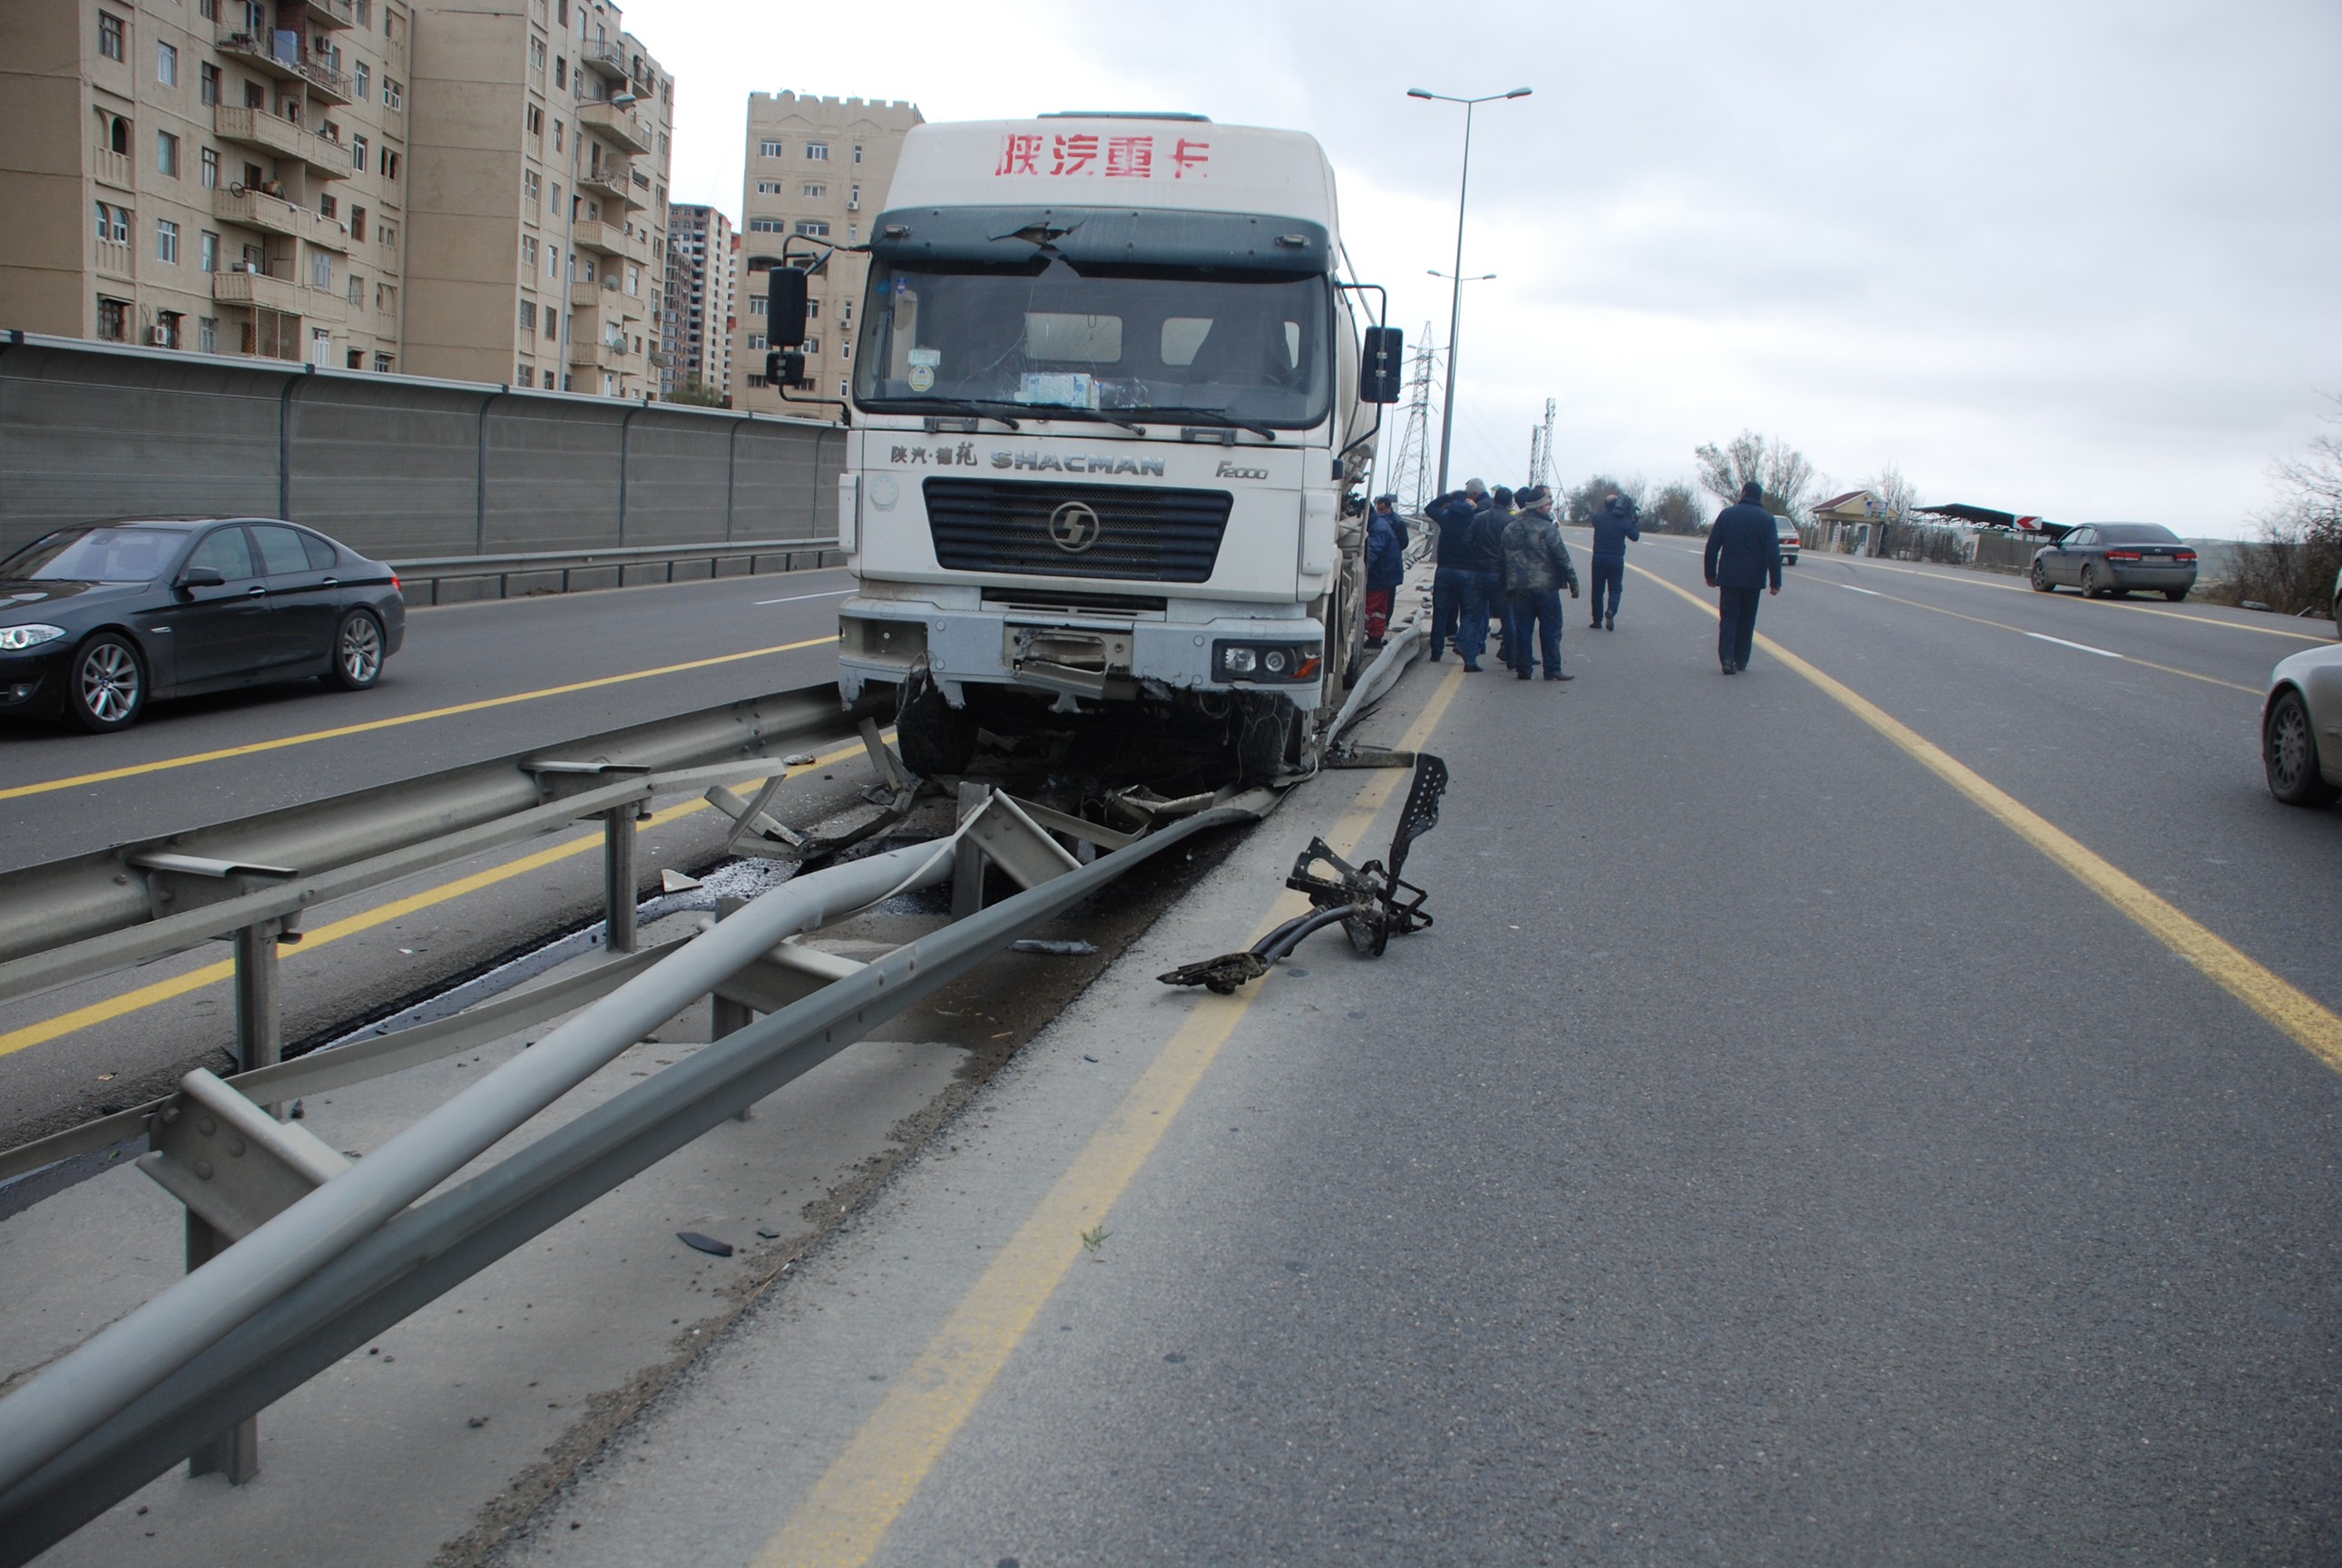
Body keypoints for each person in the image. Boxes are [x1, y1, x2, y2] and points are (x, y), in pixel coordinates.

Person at [1703, 480, 1784, 674]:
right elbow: (1773, 553)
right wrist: (1775, 582)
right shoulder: (1767, 519)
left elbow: (1712, 546)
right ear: (1759, 497)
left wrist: (1710, 574)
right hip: (1753, 580)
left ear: (1743, 493)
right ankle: (1741, 660)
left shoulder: (1727, 515)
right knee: (1747, 620)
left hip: (1730, 577)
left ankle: (1727, 660)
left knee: (1729, 619)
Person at [1499, 485, 1579, 681]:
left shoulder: (1510, 528)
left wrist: (1508, 583)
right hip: (1545, 587)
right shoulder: (1548, 529)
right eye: (1547, 504)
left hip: (1519, 587)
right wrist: (1573, 583)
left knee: (1523, 629)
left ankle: (1524, 669)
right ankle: (1552, 669)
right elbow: (1562, 558)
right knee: (1551, 629)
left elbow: (1502, 559)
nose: (1550, 506)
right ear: (1538, 507)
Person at [1424, 478, 1487, 662]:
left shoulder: (1446, 517)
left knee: (1440, 612)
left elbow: (1429, 507)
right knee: (1468, 611)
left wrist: (1448, 496)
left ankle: (1436, 652)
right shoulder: (1475, 518)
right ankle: (1462, 642)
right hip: (1467, 571)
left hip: (1444, 571)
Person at [1472, 486, 1516, 669]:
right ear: (1509, 502)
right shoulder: (1511, 522)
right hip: (1501, 575)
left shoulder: (1478, 518)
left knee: (1474, 616)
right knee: (1508, 618)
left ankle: (1469, 658)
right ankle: (1512, 658)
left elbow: (1469, 542)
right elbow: (1515, 553)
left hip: (1480, 572)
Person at [1588, 493, 1641, 630]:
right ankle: (1611, 610)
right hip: (1616, 560)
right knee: (1615, 590)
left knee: (1597, 591)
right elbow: (1635, 537)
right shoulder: (1624, 521)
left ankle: (1597, 620)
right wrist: (1634, 522)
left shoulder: (1598, 518)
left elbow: (1595, 521)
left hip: (1598, 558)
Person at [1363, 495, 1405, 647]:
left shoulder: (1378, 529)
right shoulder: (1380, 524)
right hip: (1388, 574)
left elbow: (1372, 553)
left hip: (1380, 575)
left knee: (1367, 608)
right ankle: (1376, 638)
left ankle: (1360, 634)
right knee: (1380, 609)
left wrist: (1362, 569)